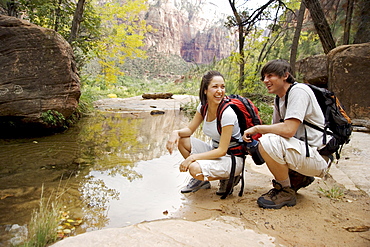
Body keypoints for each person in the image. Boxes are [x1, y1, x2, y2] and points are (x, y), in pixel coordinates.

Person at [243, 59, 331, 209]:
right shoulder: (280, 99)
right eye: (264, 77)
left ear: (285, 75)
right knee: (265, 143)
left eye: (270, 75)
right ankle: (298, 178)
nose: (265, 80)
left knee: (268, 142)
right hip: (305, 153)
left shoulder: (299, 91)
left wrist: (257, 129)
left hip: (319, 156)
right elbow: (278, 131)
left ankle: (285, 190)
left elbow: (288, 130)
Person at [166, 71, 244, 195]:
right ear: (205, 90)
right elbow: (189, 130)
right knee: (183, 139)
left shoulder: (227, 113)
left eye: (222, 87)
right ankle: (202, 181)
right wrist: (176, 132)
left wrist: (192, 158)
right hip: (216, 153)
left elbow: (222, 151)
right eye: (215, 87)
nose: (220, 91)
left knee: (194, 168)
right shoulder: (204, 107)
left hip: (232, 158)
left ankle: (229, 177)